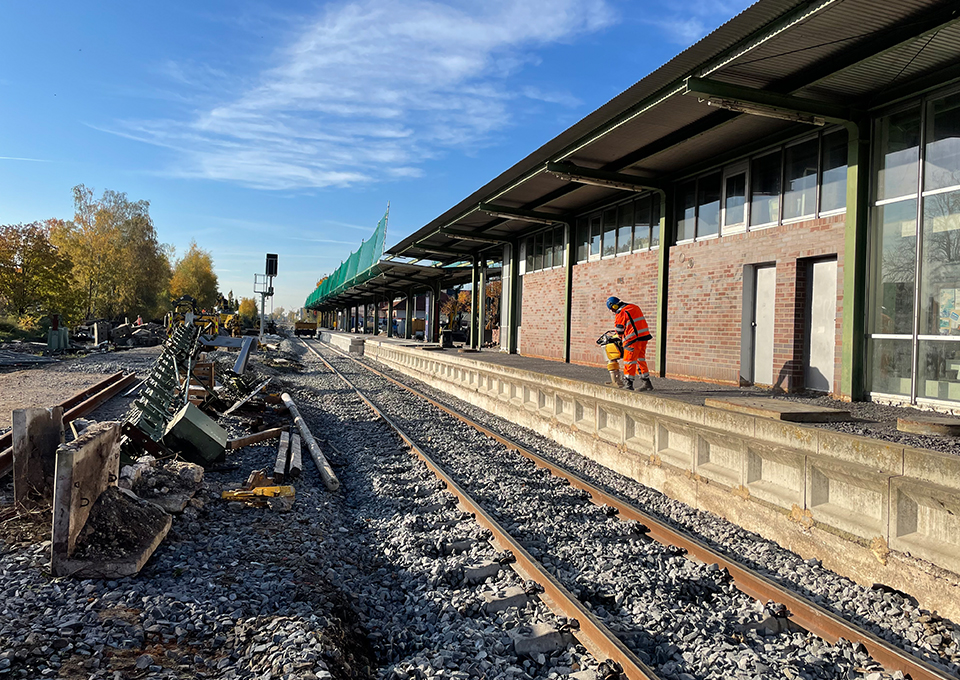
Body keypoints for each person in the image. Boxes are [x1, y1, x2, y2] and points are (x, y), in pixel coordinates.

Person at [606, 296, 653, 391]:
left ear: (614, 306)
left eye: (612, 309)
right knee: (640, 360)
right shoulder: (634, 307)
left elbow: (619, 329)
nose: (613, 311)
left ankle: (628, 383)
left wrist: (619, 336)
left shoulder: (621, 312)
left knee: (629, 361)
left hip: (632, 340)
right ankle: (646, 382)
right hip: (643, 337)